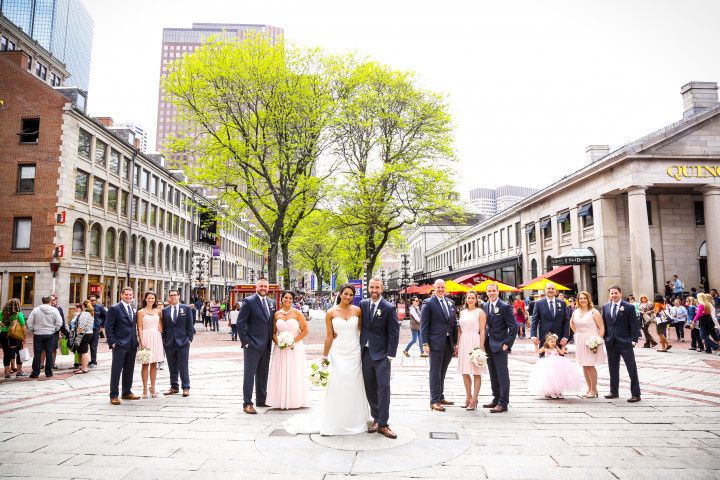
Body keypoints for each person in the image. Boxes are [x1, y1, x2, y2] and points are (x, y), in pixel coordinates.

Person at [283, 283, 371, 436]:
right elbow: (329, 337)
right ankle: (335, 421)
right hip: (338, 353)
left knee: (355, 384)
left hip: (354, 352)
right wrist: (324, 356)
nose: (348, 297)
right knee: (337, 384)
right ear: (340, 294)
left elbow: (362, 331)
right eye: (346, 294)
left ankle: (355, 419)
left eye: (351, 295)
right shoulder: (330, 312)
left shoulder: (357, 311)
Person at [360, 277, 400, 439]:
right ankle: (376, 418)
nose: (374, 290)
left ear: (382, 289)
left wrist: (390, 355)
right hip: (365, 354)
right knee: (370, 388)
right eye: (372, 287)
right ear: (368, 288)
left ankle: (384, 424)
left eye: (377, 287)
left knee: (383, 388)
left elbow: (394, 333)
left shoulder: (389, 308)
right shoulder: (363, 304)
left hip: (383, 355)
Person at [267, 292, 309, 410]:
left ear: (293, 300)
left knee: (294, 371)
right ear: (282, 299)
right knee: (280, 372)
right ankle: (279, 399)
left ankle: (295, 400)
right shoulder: (277, 314)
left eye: (290, 298)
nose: (288, 300)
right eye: (286, 297)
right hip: (280, 349)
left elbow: (305, 330)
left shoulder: (297, 313)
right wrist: (278, 342)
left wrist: (292, 342)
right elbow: (274, 332)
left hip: (294, 347)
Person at [238, 278, 275, 414]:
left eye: (265, 286)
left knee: (263, 374)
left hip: (266, 345)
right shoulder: (249, 302)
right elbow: (240, 324)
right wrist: (246, 342)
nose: (263, 288)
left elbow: (271, 323)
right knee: (249, 374)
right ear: (256, 287)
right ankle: (247, 403)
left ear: (268, 287)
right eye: (261, 286)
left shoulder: (271, 303)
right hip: (252, 345)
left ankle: (261, 399)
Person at [421, 279, 458, 412]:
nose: (441, 289)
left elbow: (453, 324)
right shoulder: (428, 303)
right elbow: (423, 325)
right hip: (435, 342)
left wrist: (455, 342)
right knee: (435, 371)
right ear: (434, 288)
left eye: (443, 287)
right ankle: (434, 400)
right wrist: (424, 343)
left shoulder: (451, 302)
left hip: (448, 342)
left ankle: (440, 396)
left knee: (443, 371)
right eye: (438, 287)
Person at [602, 285, 641, 402]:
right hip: (611, 342)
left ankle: (636, 394)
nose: (613, 295)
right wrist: (605, 338)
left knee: (631, 368)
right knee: (612, 368)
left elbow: (634, 325)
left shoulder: (628, 307)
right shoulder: (605, 307)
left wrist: (633, 340)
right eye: (612, 293)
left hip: (625, 342)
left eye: (615, 293)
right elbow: (605, 324)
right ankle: (614, 391)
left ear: (620, 293)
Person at [481, 283, 516, 413]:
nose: (491, 293)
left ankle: (503, 403)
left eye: (493, 291)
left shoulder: (505, 306)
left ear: (498, 291)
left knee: (502, 374)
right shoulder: (485, 306)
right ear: (486, 292)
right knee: (493, 373)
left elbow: (513, 327)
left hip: (500, 345)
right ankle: (496, 398)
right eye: (489, 291)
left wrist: (507, 343)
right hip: (488, 344)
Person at [105, 287, 140, 405]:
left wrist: (136, 341)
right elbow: (108, 327)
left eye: (131, 295)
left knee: (129, 369)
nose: (129, 297)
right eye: (126, 295)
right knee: (116, 370)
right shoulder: (114, 308)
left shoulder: (133, 308)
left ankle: (126, 392)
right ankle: (114, 395)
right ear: (121, 295)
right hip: (119, 344)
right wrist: (113, 342)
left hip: (132, 344)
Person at [569, 291, 605, 398]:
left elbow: (601, 327)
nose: (582, 300)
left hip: (591, 340)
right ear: (578, 300)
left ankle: (594, 389)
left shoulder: (594, 312)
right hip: (580, 339)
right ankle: (589, 388)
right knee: (584, 365)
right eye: (580, 298)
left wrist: (598, 340)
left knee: (590, 365)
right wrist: (576, 333)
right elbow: (571, 323)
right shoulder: (575, 312)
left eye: (584, 298)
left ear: (588, 299)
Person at [456, 290, 487, 411]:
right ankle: (468, 397)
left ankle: (475, 398)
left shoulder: (480, 312)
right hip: (464, 341)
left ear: (476, 299)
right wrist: (458, 344)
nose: (470, 300)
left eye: (473, 298)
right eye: (468, 298)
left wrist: (481, 346)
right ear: (466, 299)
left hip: (474, 340)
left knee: (476, 371)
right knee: (465, 371)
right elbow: (459, 330)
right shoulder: (462, 312)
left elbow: (483, 331)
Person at [161, 289, 194, 397]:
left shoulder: (186, 308)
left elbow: (190, 325)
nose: (173, 297)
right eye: (171, 295)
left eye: (175, 295)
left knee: (183, 365)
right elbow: (164, 327)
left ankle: (185, 387)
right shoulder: (165, 311)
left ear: (178, 296)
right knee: (171, 366)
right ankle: (174, 386)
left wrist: (189, 339)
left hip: (183, 342)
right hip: (169, 342)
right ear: (169, 297)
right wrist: (165, 340)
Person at [529, 333, 582, 399]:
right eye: (551, 342)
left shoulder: (556, 347)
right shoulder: (545, 348)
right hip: (548, 365)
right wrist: (536, 345)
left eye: (554, 342)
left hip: (558, 365)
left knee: (559, 378)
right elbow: (537, 351)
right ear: (547, 342)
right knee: (550, 378)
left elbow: (562, 353)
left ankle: (558, 391)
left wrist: (563, 346)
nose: (553, 343)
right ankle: (550, 392)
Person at [26, 295, 64, 378]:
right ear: (50, 301)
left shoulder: (36, 310)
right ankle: (49, 372)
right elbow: (59, 322)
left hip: (38, 333)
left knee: (37, 353)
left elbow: (29, 322)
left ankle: (35, 372)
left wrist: (33, 329)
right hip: (50, 334)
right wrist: (54, 329)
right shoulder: (54, 310)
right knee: (49, 353)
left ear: (42, 301)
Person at [530, 283, 570, 356]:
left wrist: (565, 337)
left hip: (559, 338)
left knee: (559, 361)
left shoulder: (562, 303)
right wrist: (533, 335)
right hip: (544, 336)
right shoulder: (539, 304)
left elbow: (566, 321)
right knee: (544, 360)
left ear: (555, 291)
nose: (550, 290)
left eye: (552, 289)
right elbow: (534, 320)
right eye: (548, 288)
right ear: (545, 290)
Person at [137, 291, 164, 399]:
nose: (151, 300)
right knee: (145, 364)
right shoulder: (141, 312)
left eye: (153, 298)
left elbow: (161, 324)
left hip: (156, 337)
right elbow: (139, 327)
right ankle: (144, 389)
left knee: (154, 364)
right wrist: (142, 341)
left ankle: (152, 387)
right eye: (149, 298)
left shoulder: (158, 311)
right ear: (145, 299)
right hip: (146, 337)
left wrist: (160, 329)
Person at [1, 298, 27, 379]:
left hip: (4, 334)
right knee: (19, 352)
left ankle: (7, 373)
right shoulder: (18, 314)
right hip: (15, 335)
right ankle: (19, 372)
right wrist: (24, 337)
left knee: (6, 353)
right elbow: (23, 327)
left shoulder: (2, 313)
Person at [72, 300, 95, 374]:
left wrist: (78, 335)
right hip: (87, 333)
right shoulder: (89, 313)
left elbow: (81, 326)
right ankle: (81, 366)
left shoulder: (85, 314)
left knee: (84, 351)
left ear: (83, 306)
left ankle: (85, 368)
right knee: (80, 351)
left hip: (83, 334)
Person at [88, 294, 106, 368]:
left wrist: (102, 326)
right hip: (88, 329)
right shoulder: (87, 308)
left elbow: (105, 316)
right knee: (87, 346)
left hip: (95, 329)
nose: (93, 302)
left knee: (93, 346)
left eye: (94, 300)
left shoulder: (99, 308)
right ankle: (86, 360)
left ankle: (93, 361)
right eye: (91, 300)